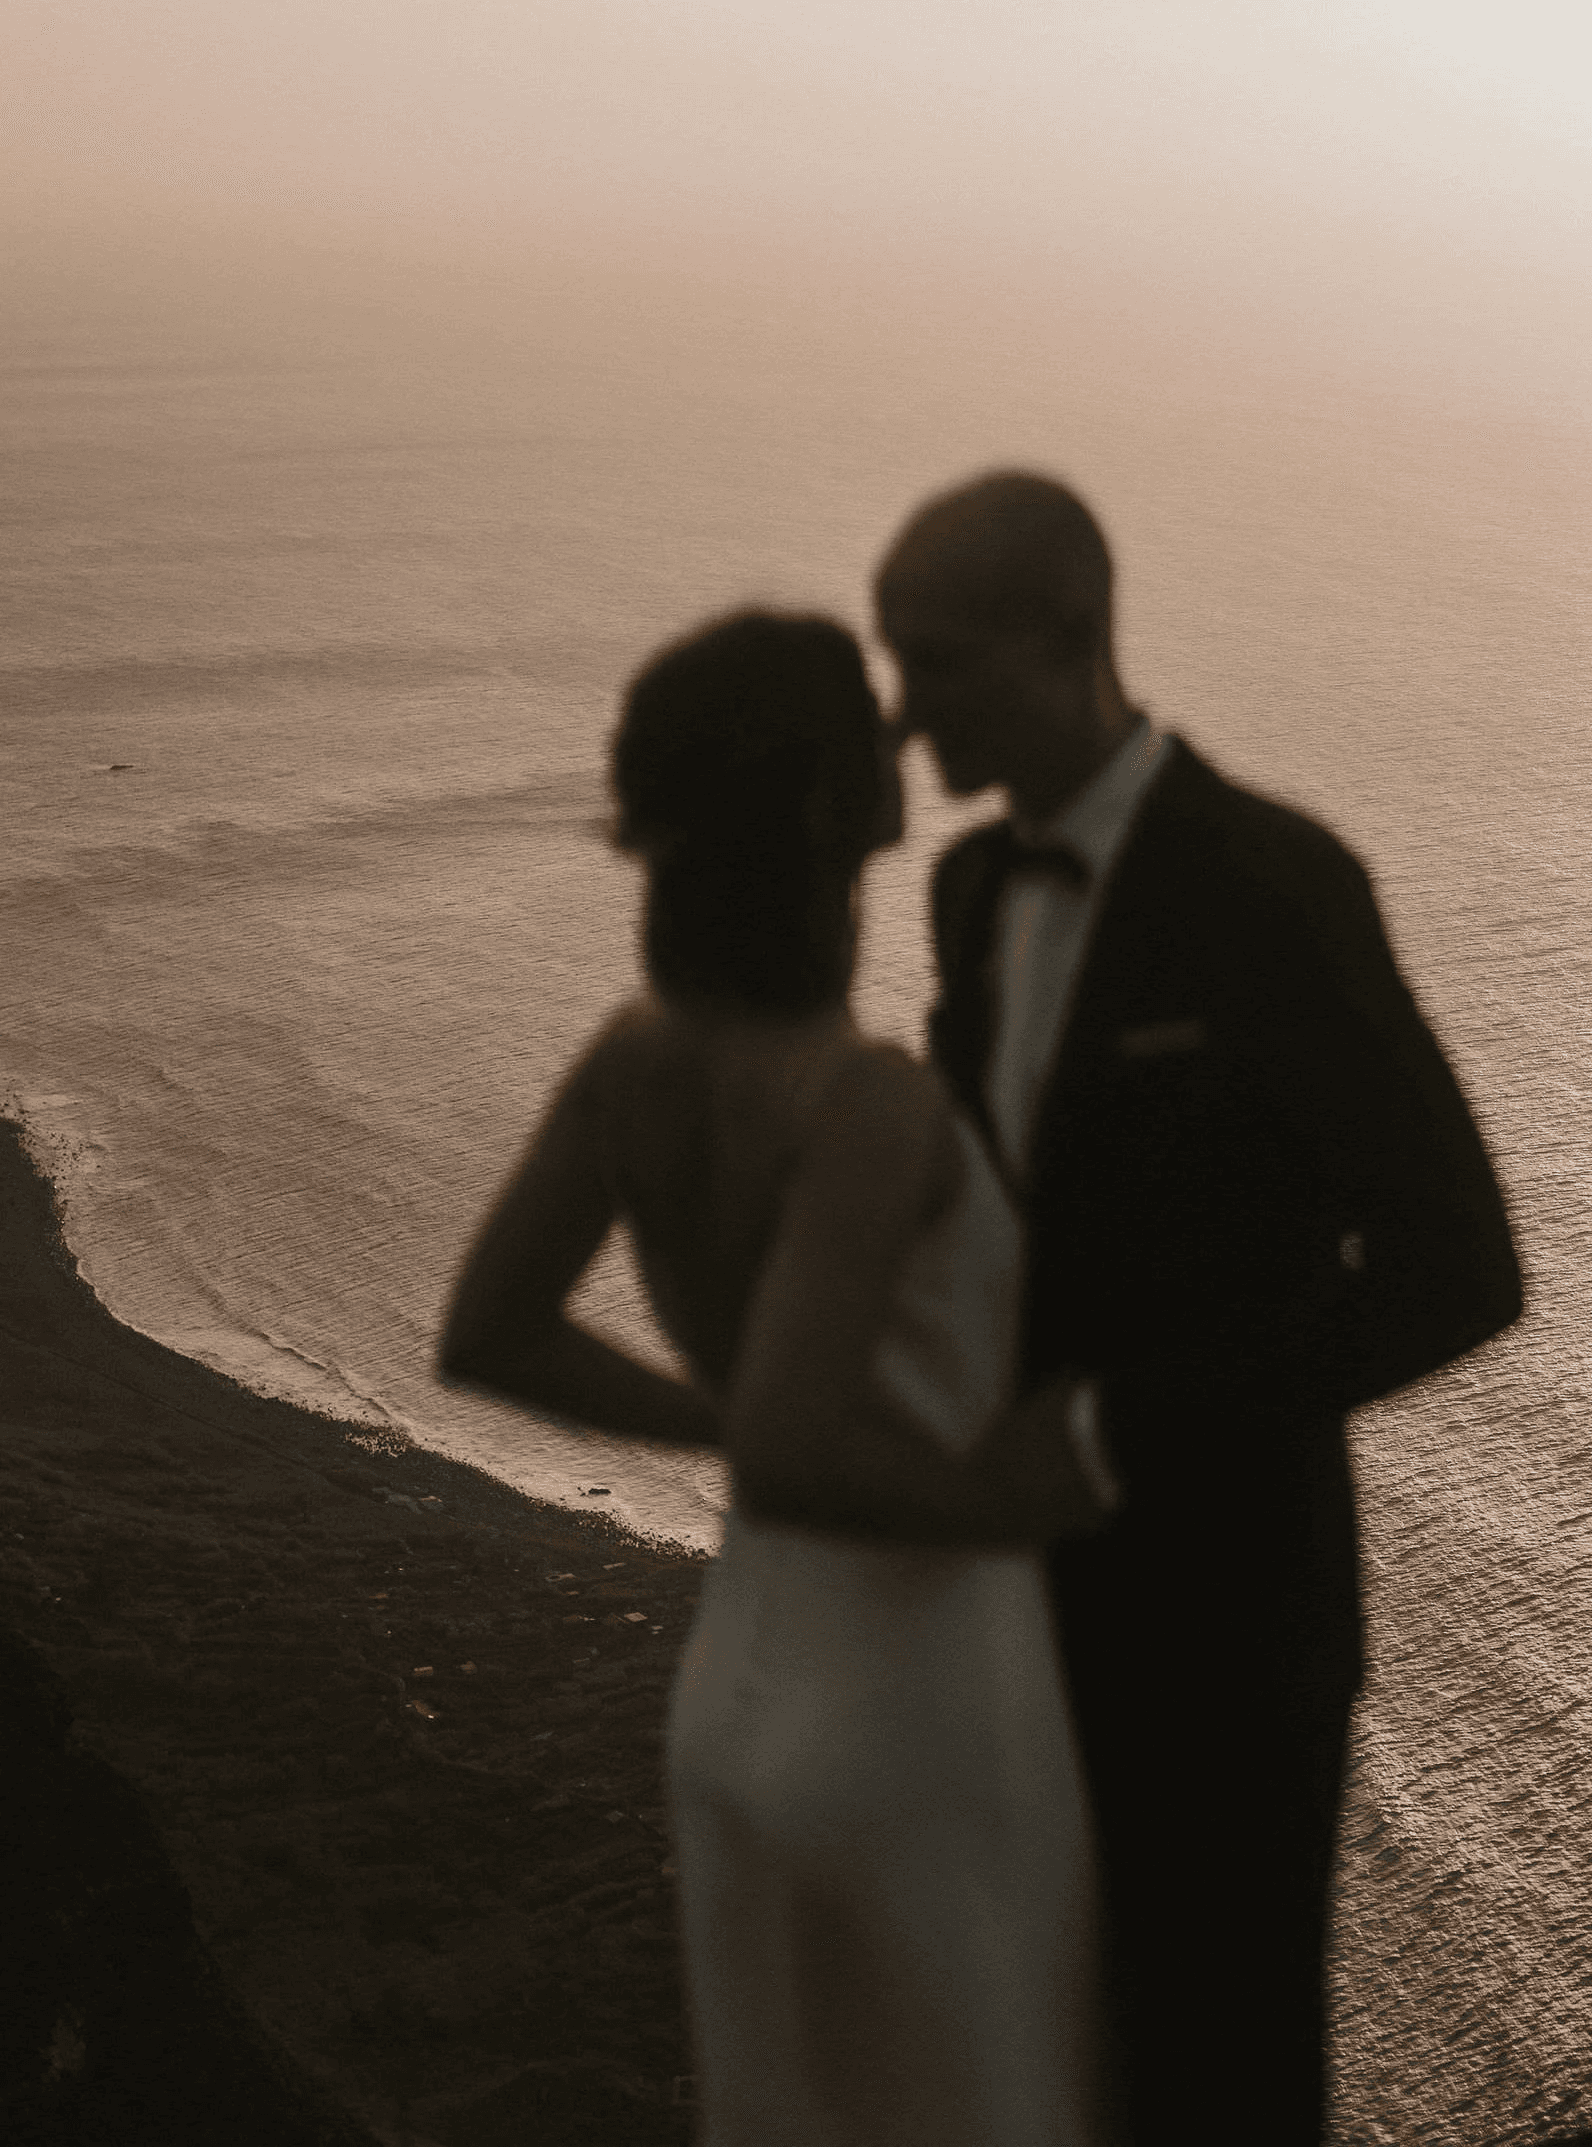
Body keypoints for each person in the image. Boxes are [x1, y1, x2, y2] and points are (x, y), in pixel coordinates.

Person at [870, 469, 1525, 2145]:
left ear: (1074, 638)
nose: (905, 712)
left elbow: (1461, 1266)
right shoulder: (962, 897)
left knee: (1225, 2084)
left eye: (939, 663)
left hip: (1233, 1631)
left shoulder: (1276, 885)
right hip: (1015, 1616)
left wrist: (1105, 1424)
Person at [438, 609, 1125, 2147]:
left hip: (743, 1696)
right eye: (868, 724)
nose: (903, 740)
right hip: (916, 1701)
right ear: (826, 812)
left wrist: (720, 1411)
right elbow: (801, 1446)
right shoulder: (865, 1101)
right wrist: (1000, 1488)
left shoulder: (636, 1056)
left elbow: (490, 1327)